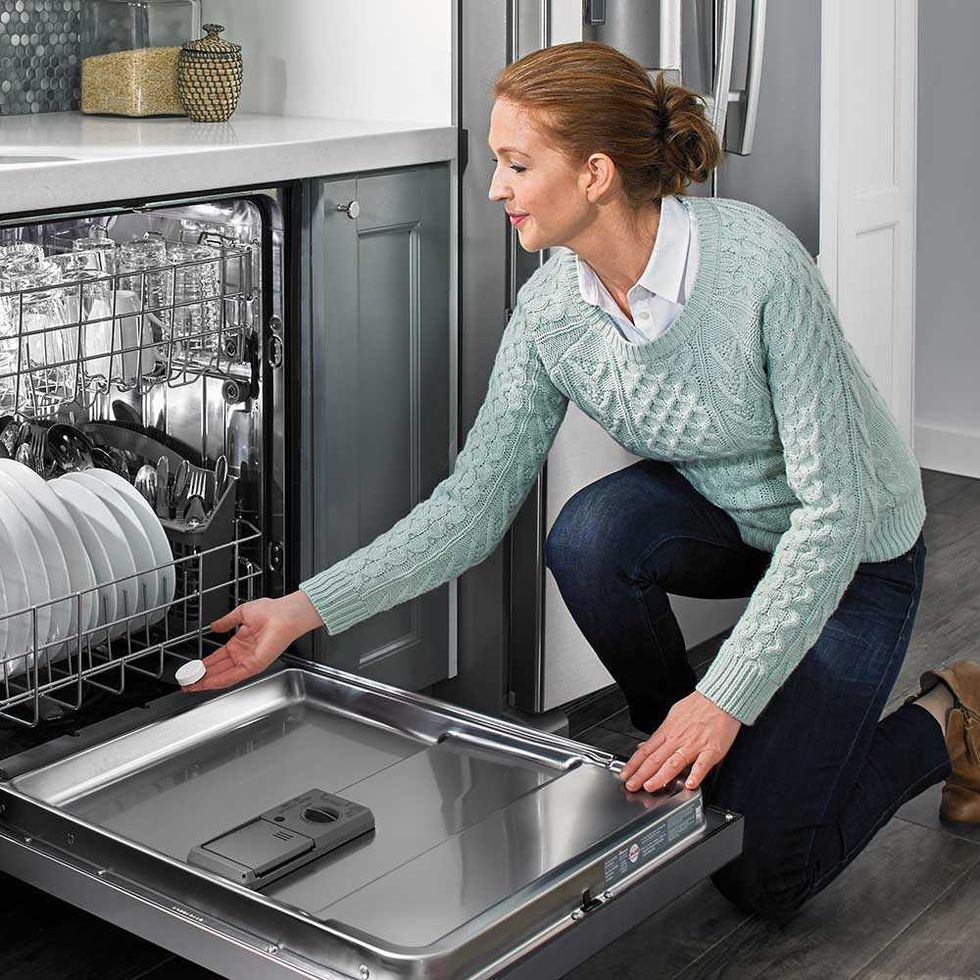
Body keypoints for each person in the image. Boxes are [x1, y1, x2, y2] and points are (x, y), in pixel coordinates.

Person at [184, 42, 980, 920]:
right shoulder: (551, 313)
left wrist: (725, 698)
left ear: (596, 174)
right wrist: (299, 611)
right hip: (734, 520)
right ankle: (685, 743)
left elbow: (832, 516)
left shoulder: (760, 267)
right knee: (590, 537)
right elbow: (472, 509)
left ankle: (950, 718)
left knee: (764, 878)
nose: (495, 187)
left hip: (857, 549)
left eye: (517, 164)